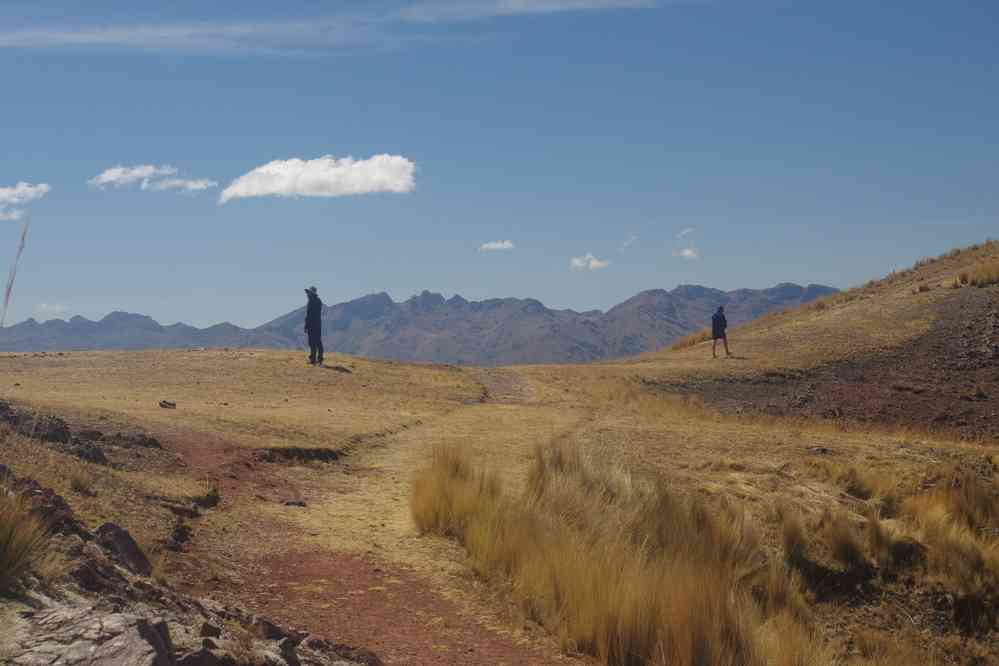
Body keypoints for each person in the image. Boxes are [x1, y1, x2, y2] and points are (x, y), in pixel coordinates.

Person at [304, 286, 324, 366]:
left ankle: (313, 360)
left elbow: (309, 315)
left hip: (312, 325)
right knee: (318, 342)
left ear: (311, 293)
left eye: (308, 293)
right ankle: (320, 360)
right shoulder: (318, 301)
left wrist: (306, 326)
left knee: (312, 343)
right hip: (318, 325)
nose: (307, 294)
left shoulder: (311, 301)